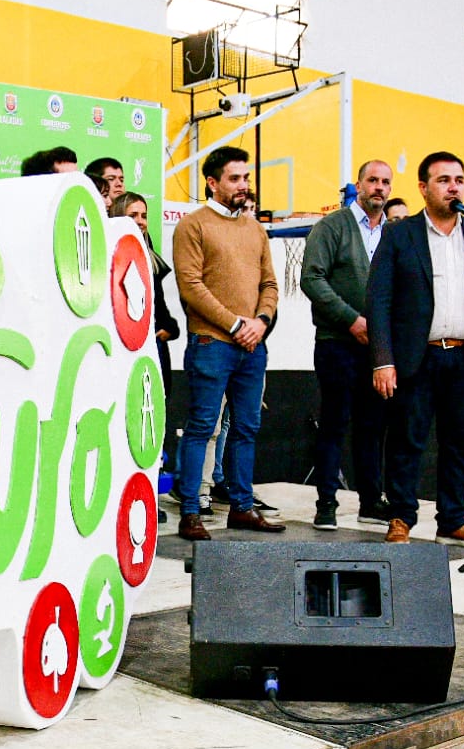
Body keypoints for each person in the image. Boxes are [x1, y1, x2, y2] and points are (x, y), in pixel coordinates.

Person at [366, 151, 464, 545]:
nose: (454, 188)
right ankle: (401, 517)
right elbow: (379, 300)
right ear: (423, 188)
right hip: (417, 356)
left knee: (459, 443)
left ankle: (452, 518)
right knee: (407, 441)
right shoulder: (400, 234)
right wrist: (382, 360)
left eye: (459, 180)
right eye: (444, 180)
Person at [171, 147, 282, 540]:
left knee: (247, 429)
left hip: (253, 345)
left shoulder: (255, 229)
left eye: (246, 178)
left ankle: (242, 507)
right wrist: (237, 324)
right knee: (202, 426)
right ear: (212, 183)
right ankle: (190, 512)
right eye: (234, 178)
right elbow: (191, 286)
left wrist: (261, 322)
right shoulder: (192, 226)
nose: (243, 185)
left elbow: (270, 283)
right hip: (211, 343)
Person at [301, 159, 395, 530]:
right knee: (334, 424)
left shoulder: (394, 234)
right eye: (372, 180)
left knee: (373, 428)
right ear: (359, 184)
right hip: (337, 343)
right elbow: (312, 278)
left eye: (385, 182)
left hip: (379, 349)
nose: (379, 187)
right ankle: (326, 503)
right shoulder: (332, 226)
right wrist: (351, 320)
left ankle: (371, 503)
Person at [110, 192, 179, 521]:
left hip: (154, 353)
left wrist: (165, 330)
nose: (140, 221)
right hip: (123, 355)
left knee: (152, 427)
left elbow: (162, 312)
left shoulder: (152, 260)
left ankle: (148, 495)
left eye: (144, 215)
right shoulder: (110, 256)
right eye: (133, 215)